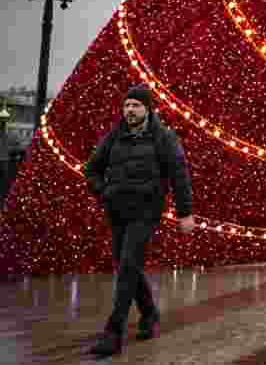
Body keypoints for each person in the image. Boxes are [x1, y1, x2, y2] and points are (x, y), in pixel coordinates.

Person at [83, 84, 195, 357]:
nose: (130, 110)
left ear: (148, 109)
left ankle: (113, 333)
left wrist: (185, 213)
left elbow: (179, 175)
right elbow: (92, 168)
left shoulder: (163, 137)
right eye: (127, 106)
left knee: (128, 266)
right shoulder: (114, 137)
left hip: (145, 212)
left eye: (136, 105)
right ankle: (149, 313)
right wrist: (104, 191)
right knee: (127, 266)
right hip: (117, 211)